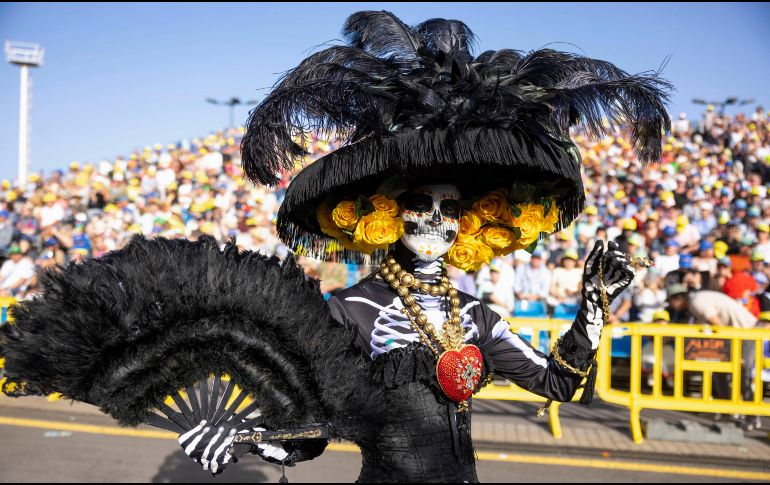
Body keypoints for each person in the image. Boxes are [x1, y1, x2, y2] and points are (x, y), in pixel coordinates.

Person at [0, 11, 668, 483]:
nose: (437, 221)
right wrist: (247, 439)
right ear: (382, 213)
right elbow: (314, 424)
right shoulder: (353, 308)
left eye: (451, 210)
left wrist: (595, 307)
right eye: (420, 205)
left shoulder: (477, 316)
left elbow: (560, 384)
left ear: (472, 222)